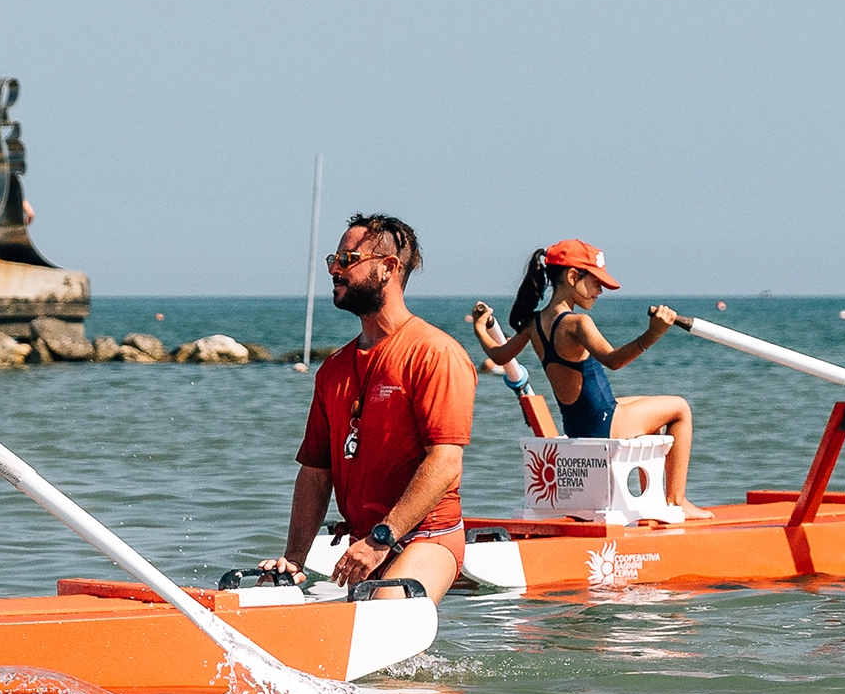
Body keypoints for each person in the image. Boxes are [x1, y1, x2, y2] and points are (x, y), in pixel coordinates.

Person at [258, 213, 475, 603]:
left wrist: (383, 537)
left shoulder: (435, 353)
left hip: (426, 536)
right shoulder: (333, 369)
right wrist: (293, 560)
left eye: (347, 259)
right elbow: (315, 472)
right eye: (333, 260)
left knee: (384, 612)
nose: (335, 270)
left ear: (387, 268)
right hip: (366, 540)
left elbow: (445, 462)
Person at [471, 240, 710, 520]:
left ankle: (652, 503)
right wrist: (653, 334)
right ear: (573, 277)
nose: (599, 291)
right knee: (680, 408)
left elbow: (500, 356)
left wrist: (479, 329)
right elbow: (613, 360)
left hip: (577, 425)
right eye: (596, 282)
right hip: (604, 424)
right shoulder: (577, 324)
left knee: (646, 404)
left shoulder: (533, 323)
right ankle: (675, 500)